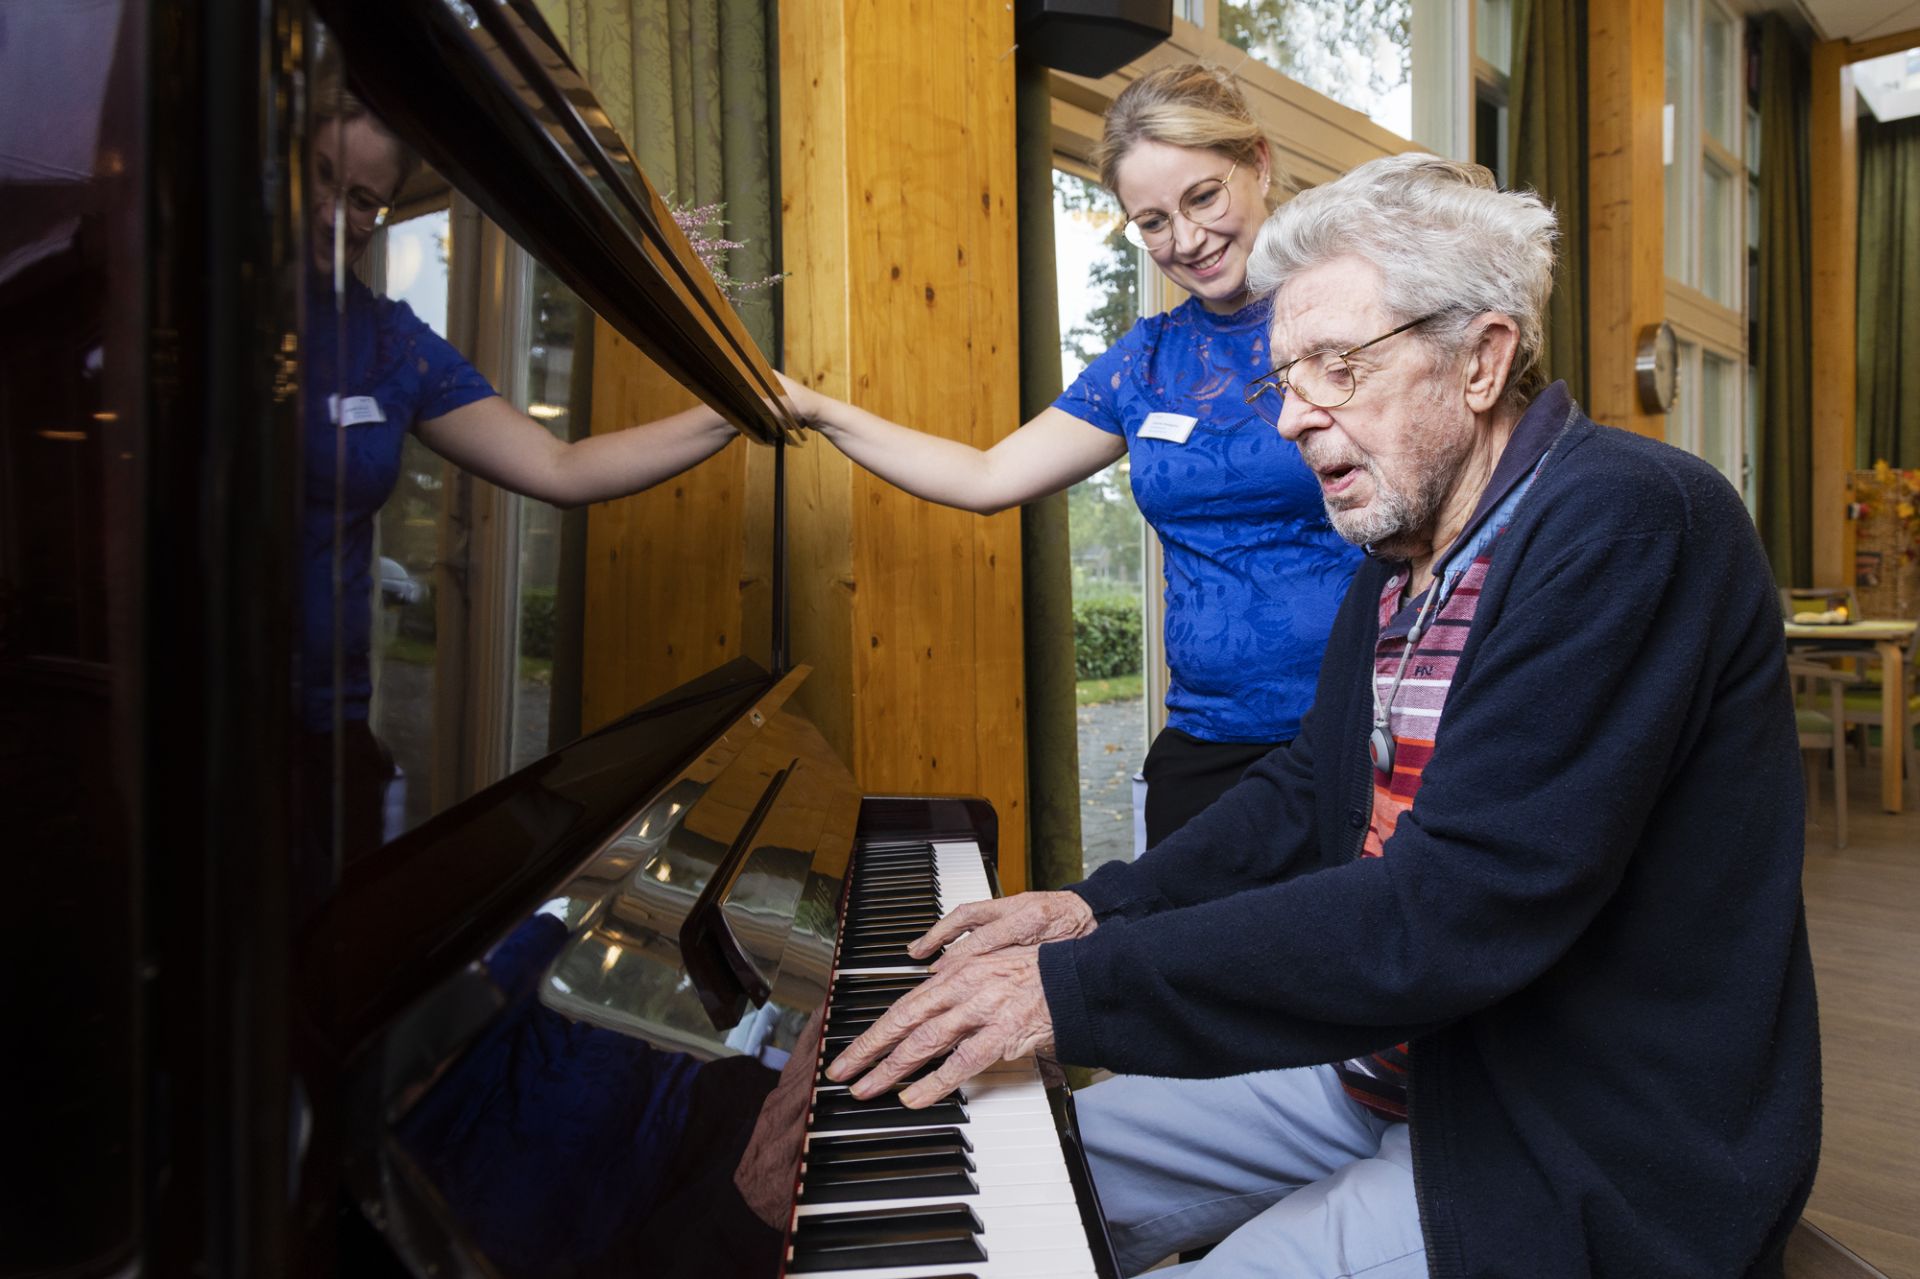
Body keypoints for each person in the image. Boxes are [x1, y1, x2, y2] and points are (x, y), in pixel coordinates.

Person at [825, 154, 1820, 1277]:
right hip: (1396, 1067)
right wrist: (1093, 911)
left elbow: (1447, 912)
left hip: (1579, 1129)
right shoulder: (1399, 556)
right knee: (986, 1160)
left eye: (1337, 369)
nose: (1296, 418)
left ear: (1482, 359)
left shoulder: (1633, 521)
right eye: (1286, 378)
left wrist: (1068, 993)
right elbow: (1306, 789)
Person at [776, 63, 1364, 847]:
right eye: (1151, 221)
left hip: (1366, 735)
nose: (1185, 239)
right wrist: (816, 408)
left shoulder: (1355, 317)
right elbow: (987, 476)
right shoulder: (1145, 361)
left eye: (1203, 197)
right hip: (1209, 753)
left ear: (1256, 162)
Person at [297, 63, 743, 890]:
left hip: (324, 732)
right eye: (321, 176)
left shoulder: (390, 342)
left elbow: (559, 466)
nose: (335, 214)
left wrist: (741, 407)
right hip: (189, 723)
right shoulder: (199, 300)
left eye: (364, 201)